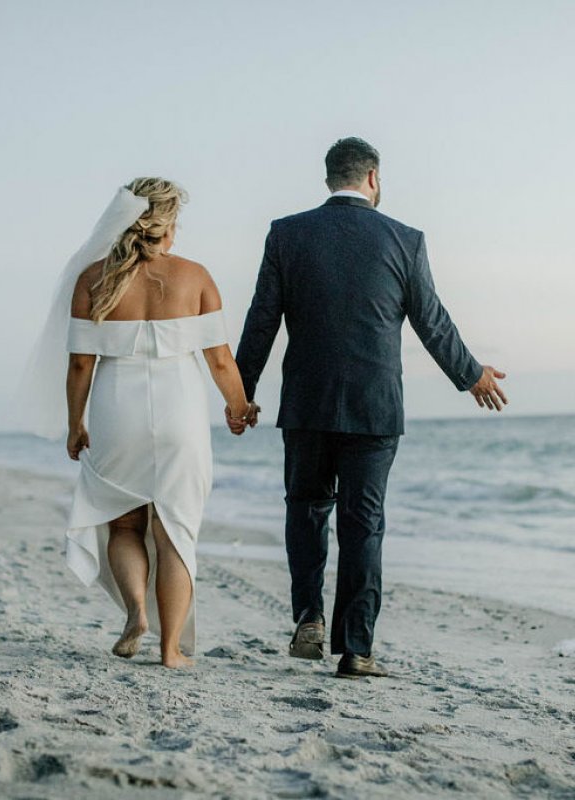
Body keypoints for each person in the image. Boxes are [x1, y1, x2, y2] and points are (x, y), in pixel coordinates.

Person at [233, 137, 508, 679]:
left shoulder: (287, 234)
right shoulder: (404, 239)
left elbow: (261, 319)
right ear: (373, 178)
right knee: (364, 524)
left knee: (306, 508)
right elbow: (432, 320)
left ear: (329, 178)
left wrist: (241, 394)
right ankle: (357, 650)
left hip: (307, 402)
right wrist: (471, 373)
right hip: (375, 406)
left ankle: (309, 617)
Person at [63, 177, 256, 669]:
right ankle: (171, 651)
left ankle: (135, 614)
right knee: (175, 531)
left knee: (125, 522)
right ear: (167, 225)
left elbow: (81, 364)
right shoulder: (195, 276)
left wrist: (75, 424)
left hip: (115, 406)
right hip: (180, 409)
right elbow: (219, 360)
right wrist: (238, 407)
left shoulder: (93, 279)